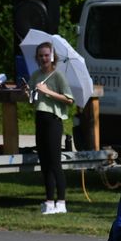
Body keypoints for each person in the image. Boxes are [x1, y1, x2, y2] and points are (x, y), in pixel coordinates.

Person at [26, 41, 74, 214]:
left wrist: (48, 92)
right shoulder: (36, 75)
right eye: (41, 56)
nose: (44, 58)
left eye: (46, 55)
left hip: (54, 120)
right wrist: (29, 93)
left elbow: (69, 99)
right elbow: (33, 97)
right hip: (40, 118)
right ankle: (49, 201)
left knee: (55, 162)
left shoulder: (58, 76)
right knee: (44, 161)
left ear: (52, 56)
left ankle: (61, 202)